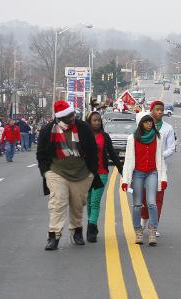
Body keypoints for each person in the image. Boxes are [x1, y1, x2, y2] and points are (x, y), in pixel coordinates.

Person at [36, 100, 103, 251]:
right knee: (58, 203)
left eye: (73, 114)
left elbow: (92, 151)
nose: (72, 117)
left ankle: (76, 231)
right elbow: (41, 153)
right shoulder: (48, 130)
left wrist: (92, 172)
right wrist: (46, 172)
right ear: (60, 117)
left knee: (77, 204)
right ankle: (53, 236)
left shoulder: (83, 128)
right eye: (68, 115)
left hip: (81, 173)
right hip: (57, 172)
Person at [122, 115, 167, 246]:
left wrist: (163, 178)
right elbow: (128, 160)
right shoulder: (133, 138)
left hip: (152, 173)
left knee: (151, 202)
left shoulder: (158, 138)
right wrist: (125, 180)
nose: (148, 124)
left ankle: (152, 231)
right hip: (137, 174)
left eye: (150, 122)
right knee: (137, 204)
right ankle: (138, 231)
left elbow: (161, 159)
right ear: (141, 124)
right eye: (146, 122)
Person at [86, 112, 123, 242]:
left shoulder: (105, 136)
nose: (97, 123)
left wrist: (121, 169)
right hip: (86, 175)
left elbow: (112, 153)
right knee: (89, 202)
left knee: (95, 202)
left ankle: (91, 229)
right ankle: (92, 225)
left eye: (99, 120)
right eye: (94, 120)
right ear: (89, 121)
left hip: (101, 173)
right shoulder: (84, 136)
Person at [140, 100, 176, 237]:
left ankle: (153, 226)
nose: (160, 112)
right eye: (157, 109)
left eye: (162, 109)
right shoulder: (143, 126)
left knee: (157, 199)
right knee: (144, 197)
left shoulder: (168, 128)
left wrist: (159, 156)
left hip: (160, 169)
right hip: (144, 168)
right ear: (151, 110)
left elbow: (171, 148)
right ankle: (143, 221)